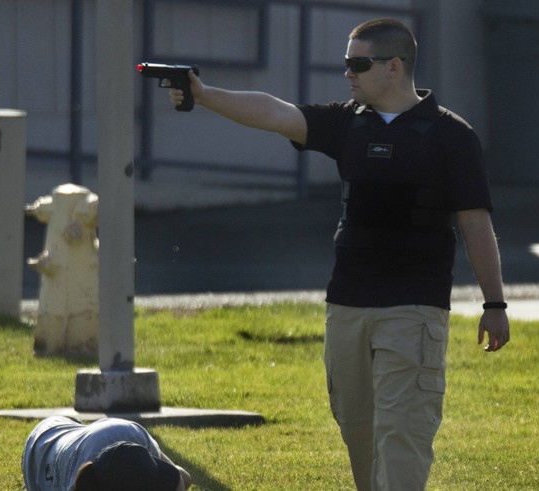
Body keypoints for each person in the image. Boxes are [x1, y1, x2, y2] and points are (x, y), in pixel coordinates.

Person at [167, 17, 510, 491]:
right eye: (345, 62)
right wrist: (204, 95)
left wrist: (494, 304)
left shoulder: (452, 137)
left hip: (414, 309)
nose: (348, 72)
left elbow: (476, 223)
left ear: (394, 66)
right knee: (358, 432)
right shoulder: (348, 122)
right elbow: (273, 112)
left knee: (401, 435)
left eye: (358, 63)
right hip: (346, 307)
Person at [22, 416, 192, 490]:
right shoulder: (74, 480)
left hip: (54, 431)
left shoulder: (129, 435)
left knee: (183, 478)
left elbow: (181, 479)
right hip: (41, 444)